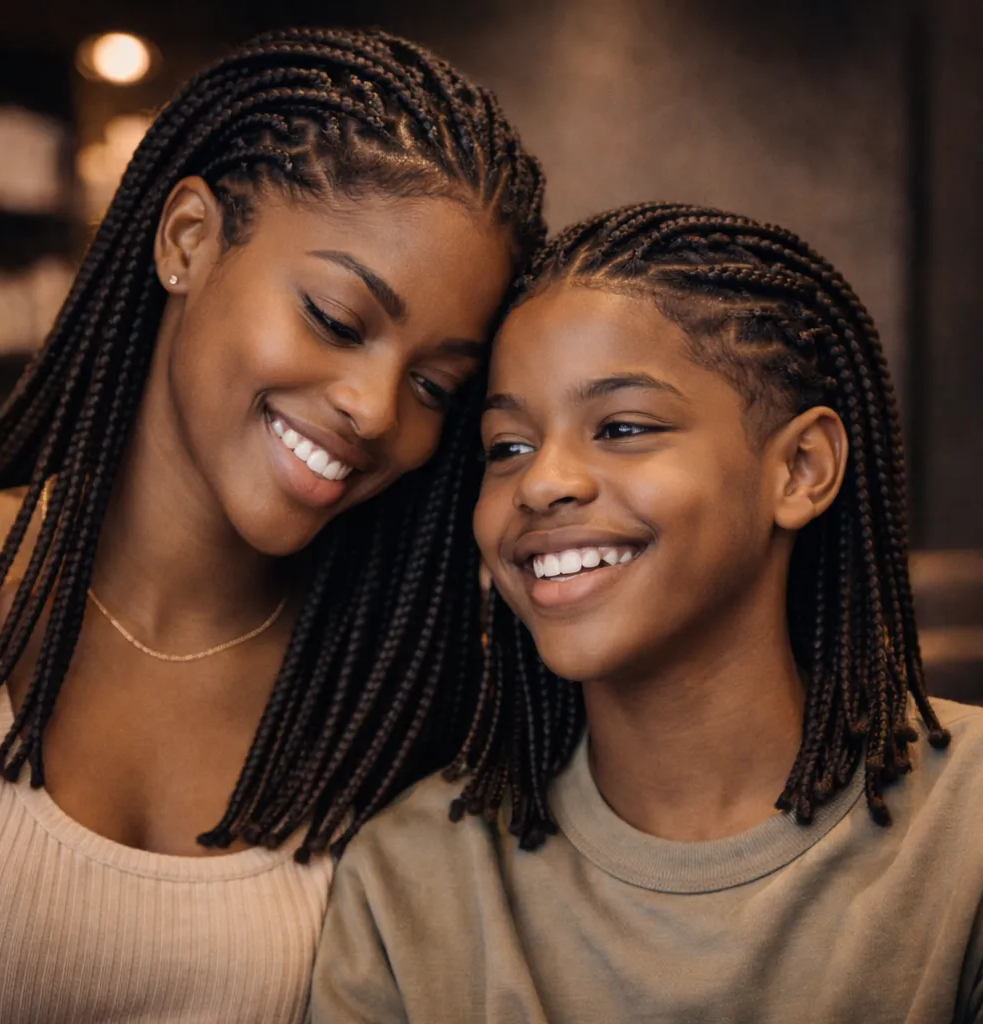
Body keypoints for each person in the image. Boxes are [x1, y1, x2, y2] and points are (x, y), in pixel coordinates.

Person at [0, 26, 544, 1022]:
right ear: (188, 239)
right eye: (334, 317)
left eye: (435, 384)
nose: (372, 408)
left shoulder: (399, 683)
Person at [310, 203, 983, 1023]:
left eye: (623, 427)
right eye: (506, 447)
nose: (542, 481)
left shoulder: (967, 828)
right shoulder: (408, 882)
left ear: (800, 469)